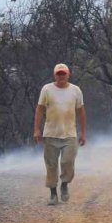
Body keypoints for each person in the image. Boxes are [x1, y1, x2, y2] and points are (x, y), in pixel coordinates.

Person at [33, 63, 87, 205]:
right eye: (59, 74)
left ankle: (64, 184)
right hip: (51, 133)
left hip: (70, 134)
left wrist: (83, 133)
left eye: (64, 74)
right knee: (51, 165)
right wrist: (36, 129)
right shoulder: (47, 89)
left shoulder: (76, 90)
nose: (61, 76)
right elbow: (39, 109)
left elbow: (81, 112)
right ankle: (53, 194)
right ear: (54, 75)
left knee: (67, 161)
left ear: (68, 75)